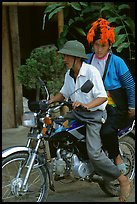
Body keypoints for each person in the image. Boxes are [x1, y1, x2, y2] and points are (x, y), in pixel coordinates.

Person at [48, 40, 131, 202]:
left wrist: (86, 105)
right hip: (77, 114)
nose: (64, 58)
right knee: (55, 129)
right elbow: (63, 93)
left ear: (77, 58)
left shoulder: (91, 72)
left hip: (94, 116)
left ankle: (122, 180)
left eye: (67, 56)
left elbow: (101, 97)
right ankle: (65, 166)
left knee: (94, 153)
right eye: (64, 55)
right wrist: (49, 101)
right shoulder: (69, 74)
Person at [86, 18, 135, 175]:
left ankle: (117, 158)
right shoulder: (87, 60)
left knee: (106, 132)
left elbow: (130, 85)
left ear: (109, 45)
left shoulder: (117, 62)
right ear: (92, 44)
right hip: (93, 105)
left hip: (114, 106)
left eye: (103, 45)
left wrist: (132, 106)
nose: (99, 49)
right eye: (96, 45)